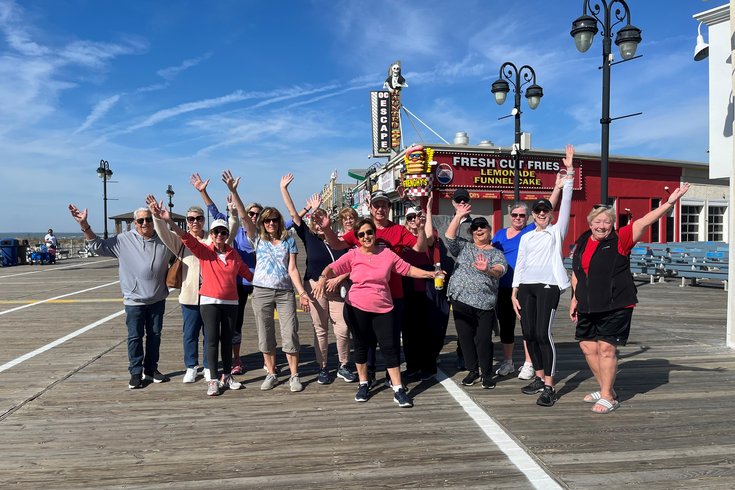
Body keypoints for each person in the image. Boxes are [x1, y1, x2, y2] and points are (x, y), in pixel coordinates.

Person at [570, 183, 690, 414]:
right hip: (587, 302)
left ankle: (608, 396)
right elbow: (578, 272)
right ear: (590, 222)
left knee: (606, 348)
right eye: (598, 221)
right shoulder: (584, 240)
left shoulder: (622, 238)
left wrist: (670, 203)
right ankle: (606, 387)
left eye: (607, 221)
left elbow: (645, 220)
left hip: (616, 303)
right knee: (587, 347)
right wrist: (575, 298)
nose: (602, 226)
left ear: (613, 224)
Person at [313, 218, 439, 408]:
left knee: (389, 348)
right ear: (357, 237)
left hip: (384, 307)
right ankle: (364, 384)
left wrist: (431, 274)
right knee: (361, 346)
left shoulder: (387, 254)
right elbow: (332, 267)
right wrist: (323, 278)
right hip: (356, 307)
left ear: (374, 234)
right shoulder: (353, 255)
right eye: (361, 234)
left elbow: (407, 269)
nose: (366, 237)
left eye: (369, 233)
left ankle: (398, 389)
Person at [321, 190, 427, 386]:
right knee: (365, 340)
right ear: (370, 208)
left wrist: (420, 230)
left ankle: (391, 378)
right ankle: (367, 375)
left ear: (388, 208)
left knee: (391, 340)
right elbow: (337, 245)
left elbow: (420, 248)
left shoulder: (398, 230)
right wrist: (327, 229)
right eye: (376, 205)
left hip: (393, 295)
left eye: (384, 205)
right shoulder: (364, 229)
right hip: (365, 296)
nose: (380, 209)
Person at [155, 196, 253, 396]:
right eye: (216, 231)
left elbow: (248, 273)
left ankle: (222, 373)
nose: (219, 234)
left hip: (229, 301)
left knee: (222, 339)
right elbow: (181, 237)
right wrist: (165, 219)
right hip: (202, 297)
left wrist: (273, 281)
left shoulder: (230, 251)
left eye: (222, 232)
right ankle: (201, 372)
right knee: (198, 336)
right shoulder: (203, 250)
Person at [223, 170, 311, 392]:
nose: (271, 223)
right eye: (267, 220)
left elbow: (292, 269)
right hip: (261, 290)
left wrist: (302, 292)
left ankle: (293, 375)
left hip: (284, 292)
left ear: (279, 222)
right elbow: (244, 217)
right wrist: (233, 192)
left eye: (274, 220)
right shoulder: (257, 239)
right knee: (265, 332)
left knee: (290, 331)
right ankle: (271, 373)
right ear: (262, 223)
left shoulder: (288, 240)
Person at [68, 204, 172, 389]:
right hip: (134, 300)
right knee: (135, 336)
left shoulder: (165, 239)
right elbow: (98, 246)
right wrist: (85, 225)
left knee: (155, 336)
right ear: (134, 223)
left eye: (149, 219)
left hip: (157, 299)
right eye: (141, 220)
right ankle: (135, 371)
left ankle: (151, 369)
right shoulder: (124, 239)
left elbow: (186, 247)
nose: (145, 223)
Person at [511, 144, 575, 407]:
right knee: (529, 333)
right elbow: (521, 262)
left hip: (548, 287)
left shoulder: (556, 231)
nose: (540, 214)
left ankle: (550, 385)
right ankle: (538, 377)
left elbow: (567, 198)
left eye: (545, 211)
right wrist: (514, 292)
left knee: (543, 333)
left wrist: (569, 170)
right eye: (537, 211)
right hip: (525, 287)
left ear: (550, 214)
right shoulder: (526, 236)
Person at [280, 173, 357, 384]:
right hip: (316, 286)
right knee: (320, 329)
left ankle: (343, 364)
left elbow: (351, 263)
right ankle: (323, 367)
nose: (318, 223)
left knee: (342, 327)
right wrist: (284, 189)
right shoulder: (308, 237)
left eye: (321, 219)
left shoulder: (339, 240)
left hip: (337, 287)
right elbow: (292, 214)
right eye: (315, 220)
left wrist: (339, 278)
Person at [492, 171, 567, 380]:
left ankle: (528, 363)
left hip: (528, 285)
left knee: (529, 327)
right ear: (510, 216)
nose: (518, 218)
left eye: (522, 215)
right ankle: (508, 361)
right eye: (514, 215)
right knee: (506, 326)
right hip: (505, 286)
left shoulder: (531, 231)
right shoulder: (499, 234)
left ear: (528, 217)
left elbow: (546, 208)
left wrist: (558, 187)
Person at [191, 172, 259, 376]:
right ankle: (219, 367)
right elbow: (216, 213)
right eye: (251, 213)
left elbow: (292, 224)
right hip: (226, 284)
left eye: (258, 214)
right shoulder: (231, 230)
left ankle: (235, 360)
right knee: (214, 333)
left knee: (235, 327)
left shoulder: (260, 234)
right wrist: (204, 192)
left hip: (246, 284)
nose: (254, 217)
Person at [445, 207, 507, 389]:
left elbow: (500, 271)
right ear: (472, 233)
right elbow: (449, 237)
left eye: (483, 227)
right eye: (475, 228)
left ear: (489, 231)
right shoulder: (465, 247)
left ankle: (487, 374)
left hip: (484, 303)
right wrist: (458, 215)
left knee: (483, 339)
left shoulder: (496, 253)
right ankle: (473, 371)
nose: (479, 230)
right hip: (460, 300)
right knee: (465, 338)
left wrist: (486, 269)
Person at [431, 188, 475, 370]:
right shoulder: (442, 220)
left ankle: (463, 355)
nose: (462, 203)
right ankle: (433, 354)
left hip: (464, 281)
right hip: (442, 278)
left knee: (463, 321)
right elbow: (422, 220)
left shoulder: (476, 225)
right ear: (453, 203)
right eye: (459, 201)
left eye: (464, 200)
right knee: (438, 318)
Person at [400, 204, 437, 380]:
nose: (413, 220)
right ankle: (412, 365)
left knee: (426, 328)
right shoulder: (402, 237)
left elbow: (428, 238)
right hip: (406, 285)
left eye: (416, 217)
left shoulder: (426, 236)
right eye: (410, 217)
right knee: (408, 330)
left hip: (425, 287)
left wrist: (427, 212)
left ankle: (428, 367)